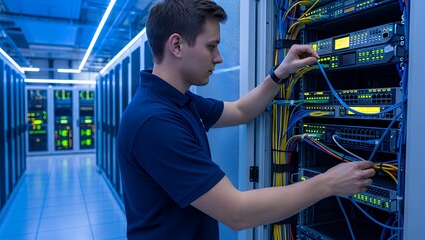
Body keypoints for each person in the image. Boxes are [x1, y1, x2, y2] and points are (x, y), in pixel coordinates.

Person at [117, 0, 376, 239]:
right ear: (176, 45)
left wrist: (279, 73)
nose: (218, 57)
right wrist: (328, 183)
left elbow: (241, 111)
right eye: (211, 46)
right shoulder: (155, 121)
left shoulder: (179, 101)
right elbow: (237, 212)